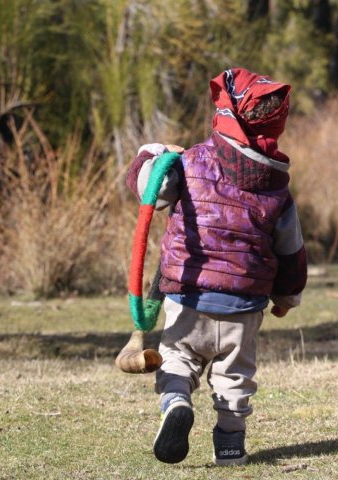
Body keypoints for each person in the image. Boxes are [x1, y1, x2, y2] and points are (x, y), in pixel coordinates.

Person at [125, 67, 307, 466]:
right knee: (233, 378)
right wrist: (287, 296)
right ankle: (229, 446)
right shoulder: (276, 188)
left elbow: (147, 191)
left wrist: (152, 154)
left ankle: (176, 404)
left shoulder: (188, 164)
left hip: (188, 295)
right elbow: (291, 251)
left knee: (178, 360)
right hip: (243, 306)